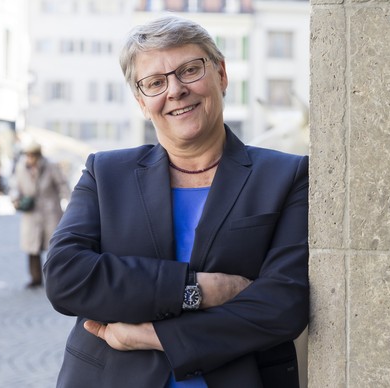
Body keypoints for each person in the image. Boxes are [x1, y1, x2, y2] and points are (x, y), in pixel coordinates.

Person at [44, 15, 309, 388]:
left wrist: (153, 336)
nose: (175, 90)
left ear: (221, 75)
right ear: (141, 101)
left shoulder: (286, 176)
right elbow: (65, 277)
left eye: (189, 70)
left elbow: (284, 304)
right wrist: (196, 290)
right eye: (155, 82)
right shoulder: (105, 173)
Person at [12, 140, 70, 288]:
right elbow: (15, 187)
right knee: (32, 248)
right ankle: (35, 278)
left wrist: (70, 203)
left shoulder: (51, 166)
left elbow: (63, 185)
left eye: (32, 156)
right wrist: (16, 200)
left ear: (38, 155)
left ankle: (56, 277)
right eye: (27, 155)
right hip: (31, 213)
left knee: (54, 247)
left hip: (50, 211)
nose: (29, 159)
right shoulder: (21, 168)